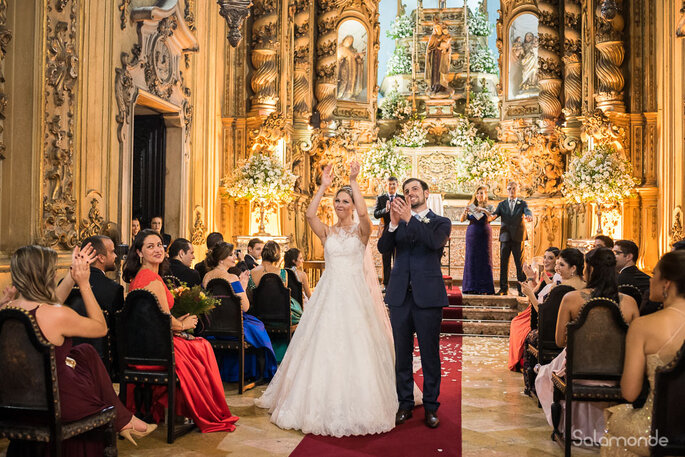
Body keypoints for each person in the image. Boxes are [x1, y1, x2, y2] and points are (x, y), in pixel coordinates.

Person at [255, 162, 398, 437]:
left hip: (354, 297)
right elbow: (310, 215)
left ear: (353, 205)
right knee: (322, 345)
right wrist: (322, 187)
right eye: (338, 201)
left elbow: (366, 214)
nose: (340, 205)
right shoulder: (327, 232)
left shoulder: (361, 232)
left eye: (346, 201)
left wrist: (354, 181)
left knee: (357, 347)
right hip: (329, 295)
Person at [3, 245, 155, 455]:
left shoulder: (6, 310)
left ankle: (125, 420)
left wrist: (71, 277)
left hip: (15, 405)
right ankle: (123, 419)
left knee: (83, 352)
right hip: (57, 404)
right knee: (86, 354)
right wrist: (84, 284)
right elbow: (101, 328)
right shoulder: (57, 315)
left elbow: (45, 307)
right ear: (45, 274)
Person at [122, 229, 239, 433]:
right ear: (139, 253)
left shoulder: (140, 277)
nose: (158, 249)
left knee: (198, 345)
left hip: (143, 346)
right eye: (150, 246)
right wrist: (183, 325)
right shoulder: (152, 280)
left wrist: (178, 321)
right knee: (203, 347)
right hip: (158, 350)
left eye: (159, 245)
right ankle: (206, 409)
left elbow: (154, 318)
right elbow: (165, 321)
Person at [535, 247, 639, 445]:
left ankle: (568, 426)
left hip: (578, 372)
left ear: (590, 270)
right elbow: (634, 343)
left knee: (545, 375)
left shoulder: (571, 299)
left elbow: (559, 342)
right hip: (618, 375)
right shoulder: (630, 303)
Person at [379, 176, 452, 429]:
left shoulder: (440, 222)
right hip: (400, 296)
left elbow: (433, 243)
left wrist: (410, 219)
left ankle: (431, 406)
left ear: (426, 193)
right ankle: (405, 403)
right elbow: (383, 248)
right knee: (402, 354)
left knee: (430, 354)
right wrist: (392, 224)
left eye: (415, 190)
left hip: (428, 297)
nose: (410, 194)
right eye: (406, 191)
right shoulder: (398, 222)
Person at [601, 250, 685, 457]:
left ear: (666, 284)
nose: (650, 280)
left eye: (654, 274)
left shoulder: (644, 326)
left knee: (614, 418)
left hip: (658, 428)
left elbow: (630, 392)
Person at [202, 242, 277, 383]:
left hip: (211, 326)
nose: (234, 258)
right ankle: (261, 373)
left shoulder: (206, 277)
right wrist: (242, 286)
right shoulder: (232, 278)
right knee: (259, 326)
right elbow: (245, 307)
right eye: (230, 255)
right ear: (221, 259)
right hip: (235, 326)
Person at [247, 240, 303, 361]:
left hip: (259, 318)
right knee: (303, 320)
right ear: (277, 256)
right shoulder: (283, 273)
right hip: (281, 318)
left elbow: (250, 298)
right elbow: (282, 299)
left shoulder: (252, 273)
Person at [507, 246, 561, 372]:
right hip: (536, 308)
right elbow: (536, 293)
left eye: (551, 258)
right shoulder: (546, 275)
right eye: (545, 258)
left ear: (557, 261)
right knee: (516, 323)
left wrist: (531, 279)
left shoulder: (553, 277)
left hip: (540, 311)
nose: (546, 261)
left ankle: (521, 361)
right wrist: (531, 277)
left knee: (517, 325)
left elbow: (533, 295)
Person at [76, 235, 124, 365]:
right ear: (101, 258)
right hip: (102, 360)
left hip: (70, 355)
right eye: (113, 251)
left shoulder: (64, 284)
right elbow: (117, 333)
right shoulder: (114, 289)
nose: (115, 256)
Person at [492, 181, 533, 296]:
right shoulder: (502, 204)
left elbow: (527, 211)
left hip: (518, 237)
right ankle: (503, 289)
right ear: (507, 190)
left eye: (514, 188)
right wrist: (490, 217)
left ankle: (521, 290)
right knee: (503, 264)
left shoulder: (522, 203)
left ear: (517, 190)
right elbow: (495, 214)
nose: (512, 191)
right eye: (509, 189)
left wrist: (529, 216)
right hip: (505, 237)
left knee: (519, 265)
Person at [460, 185, 495, 295]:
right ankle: (470, 287)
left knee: (484, 259)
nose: (479, 195)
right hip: (472, 234)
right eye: (478, 193)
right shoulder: (471, 206)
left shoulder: (490, 207)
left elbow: (492, 218)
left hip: (484, 234)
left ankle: (485, 288)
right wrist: (465, 212)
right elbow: (462, 220)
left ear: (485, 195)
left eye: (482, 193)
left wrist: (483, 210)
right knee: (471, 258)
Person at [373, 176, 402, 288]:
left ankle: (397, 284)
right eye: (390, 184)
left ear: (397, 185)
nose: (392, 186)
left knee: (398, 260)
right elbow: (375, 214)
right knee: (386, 259)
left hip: (399, 233)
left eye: (394, 184)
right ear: (386, 185)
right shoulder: (381, 199)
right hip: (386, 233)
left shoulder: (402, 198)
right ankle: (386, 284)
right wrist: (385, 210)